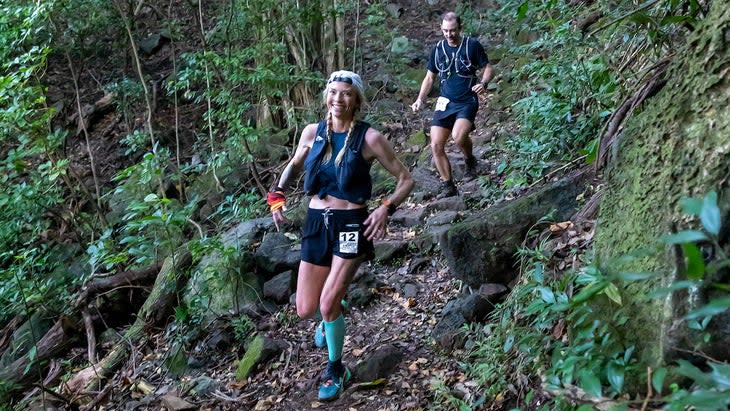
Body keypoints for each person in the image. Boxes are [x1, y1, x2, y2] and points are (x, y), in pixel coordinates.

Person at [267, 70, 414, 401]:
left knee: (327, 302)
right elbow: (292, 165)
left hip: (351, 224)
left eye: (346, 93)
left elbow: (406, 179)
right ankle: (330, 312)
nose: (338, 98)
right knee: (306, 309)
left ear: (357, 100)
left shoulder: (370, 138)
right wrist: (277, 196)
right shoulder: (312, 132)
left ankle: (336, 368)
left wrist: (385, 208)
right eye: (333, 92)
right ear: (326, 97)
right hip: (317, 221)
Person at [411, 11, 493, 199]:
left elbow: (487, 67)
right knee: (436, 145)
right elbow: (430, 77)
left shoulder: (471, 45)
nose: (449, 34)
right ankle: (448, 184)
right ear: (441, 29)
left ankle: (469, 159)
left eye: (453, 30)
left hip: (467, 100)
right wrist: (420, 99)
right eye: (446, 31)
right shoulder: (437, 50)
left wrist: (484, 83)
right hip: (445, 102)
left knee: (458, 137)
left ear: (460, 28)